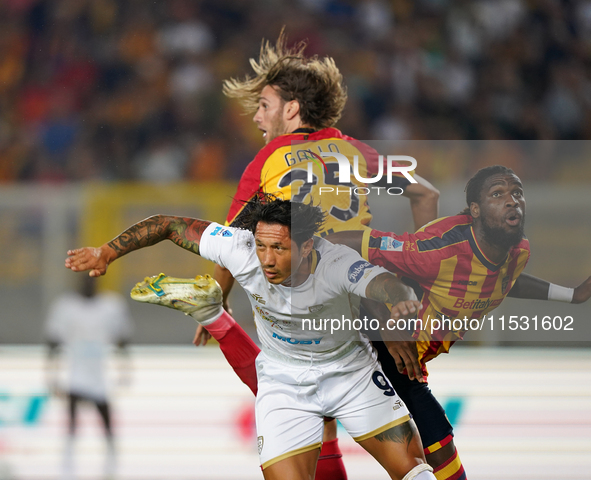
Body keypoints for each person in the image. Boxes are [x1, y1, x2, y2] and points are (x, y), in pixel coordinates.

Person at [197, 31, 440, 479]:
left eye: (264, 106)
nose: (257, 118)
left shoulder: (270, 160)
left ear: (291, 109)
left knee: (308, 418)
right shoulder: (354, 151)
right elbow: (425, 194)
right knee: (419, 441)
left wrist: (214, 303)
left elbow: (232, 238)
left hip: (307, 309)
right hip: (373, 307)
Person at [65, 196, 438, 480]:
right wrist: (107, 252)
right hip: (283, 383)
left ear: (308, 247)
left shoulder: (336, 263)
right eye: (262, 245)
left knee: (416, 473)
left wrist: (400, 309)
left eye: (279, 248)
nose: (266, 259)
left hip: (350, 374)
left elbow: (389, 286)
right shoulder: (239, 248)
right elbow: (167, 224)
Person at [326, 165, 591, 480]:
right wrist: (387, 328)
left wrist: (573, 295)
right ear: (475, 210)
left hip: (407, 361)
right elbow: (340, 244)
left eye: (517, 193)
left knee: (406, 458)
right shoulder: (437, 252)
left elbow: (505, 281)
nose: (512, 201)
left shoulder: (517, 253)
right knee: (436, 455)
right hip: (374, 349)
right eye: (498, 194)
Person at [45, 275, 133, 480]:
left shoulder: (111, 306)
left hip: (99, 372)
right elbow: (53, 342)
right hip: (75, 371)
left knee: (105, 417)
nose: (88, 283)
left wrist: (125, 370)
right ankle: (68, 461)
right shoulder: (65, 307)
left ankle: (111, 461)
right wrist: (52, 375)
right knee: (72, 417)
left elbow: (122, 340)